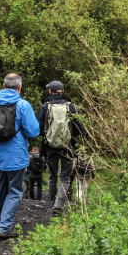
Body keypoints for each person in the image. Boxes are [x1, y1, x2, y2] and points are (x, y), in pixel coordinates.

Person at [0, 73, 40, 240]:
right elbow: (33, 131)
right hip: (16, 156)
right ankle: (4, 227)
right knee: (16, 191)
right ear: (19, 87)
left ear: (3, 85)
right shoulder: (23, 105)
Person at [37, 80, 86, 214]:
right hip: (68, 147)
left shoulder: (45, 107)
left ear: (50, 92)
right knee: (65, 177)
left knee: (52, 175)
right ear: (62, 91)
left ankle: (53, 202)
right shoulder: (71, 107)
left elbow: (39, 128)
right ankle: (58, 205)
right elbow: (78, 127)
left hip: (50, 147)